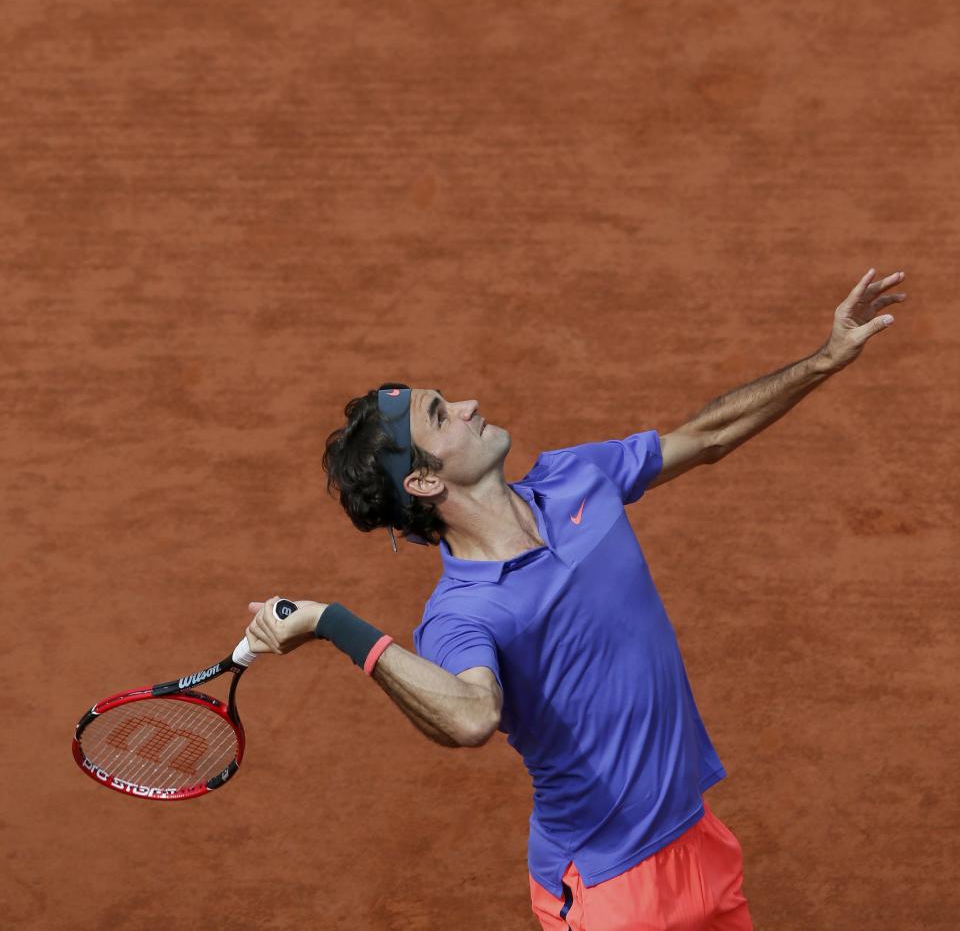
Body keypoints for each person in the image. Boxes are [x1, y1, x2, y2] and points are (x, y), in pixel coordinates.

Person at [244, 267, 905, 930]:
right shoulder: (461, 614)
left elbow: (707, 438)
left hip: (698, 840)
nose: (471, 405)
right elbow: (472, 718)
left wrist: (825, 359)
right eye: (442, 415)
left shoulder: (574, 477)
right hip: (606, 886)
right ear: (420, 480)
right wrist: (333, 622)